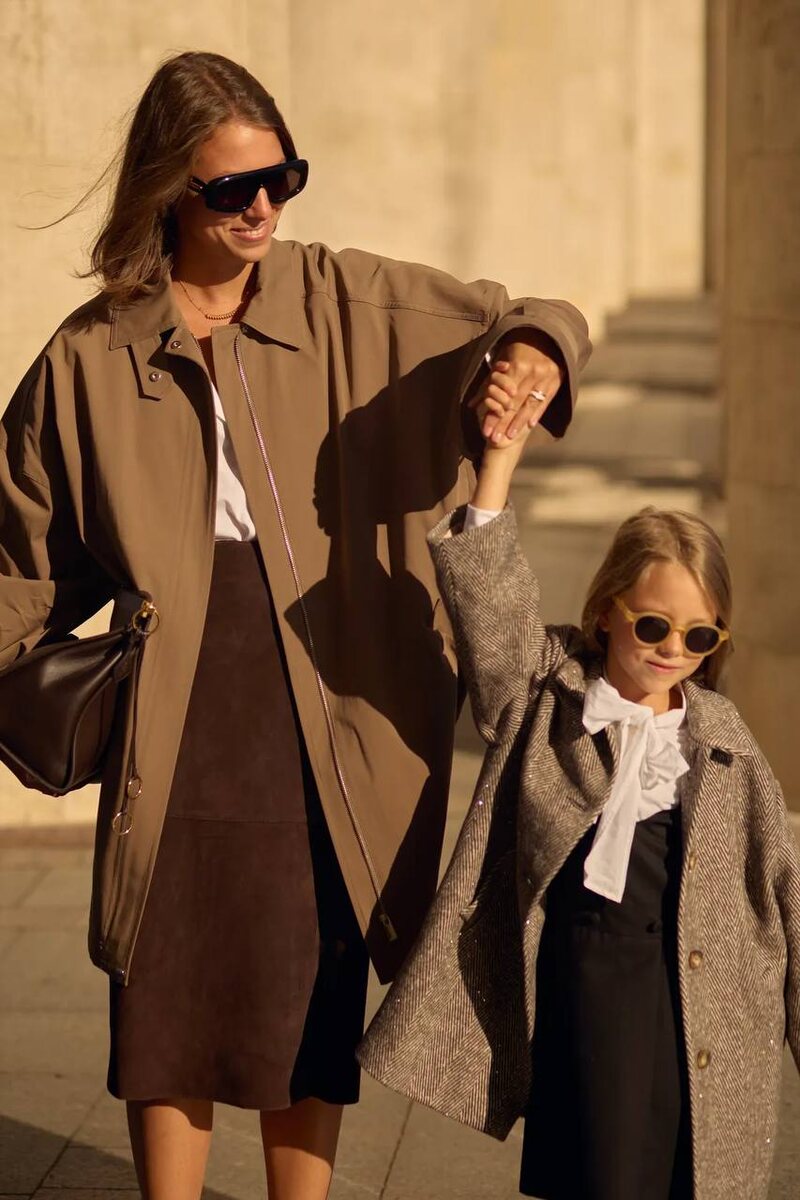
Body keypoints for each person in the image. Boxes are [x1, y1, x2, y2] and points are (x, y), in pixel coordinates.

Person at [0, 51, 591, 1200]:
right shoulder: (91, 353)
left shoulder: (346, 300)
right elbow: (18, 553)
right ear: (170, 187)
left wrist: (530, 355)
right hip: (173, 713)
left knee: (306, 1000)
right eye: (232, 188)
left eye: (282, 178)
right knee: (161, 1002)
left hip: (324, 711)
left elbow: (531, 316)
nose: (262, 206)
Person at [358, 358, 800, 1200]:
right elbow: (491, 603)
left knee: (686, 1173)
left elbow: (786, 894)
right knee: (600, 1171)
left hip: (705, 1007)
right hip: (588, 992)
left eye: (700, 637)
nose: (673, 650)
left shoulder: (725, 744)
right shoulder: (547, 691)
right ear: (606, 610)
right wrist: (499, 461)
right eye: (654, 625)